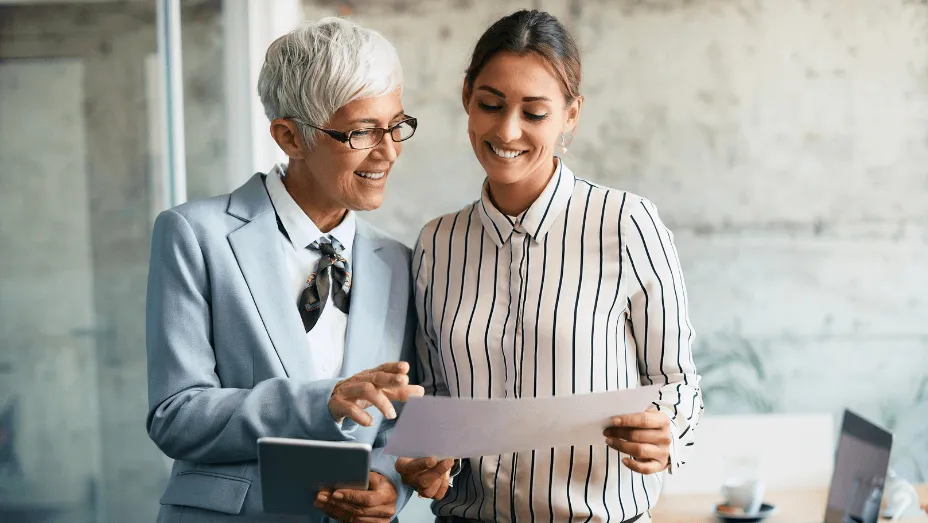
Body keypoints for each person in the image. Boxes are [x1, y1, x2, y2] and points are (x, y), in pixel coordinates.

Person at [397, 9, 704, 522]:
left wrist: (665, 434)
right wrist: (426, 461)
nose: (507, 130)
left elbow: (676, 381)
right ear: (467, 98)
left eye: (534, 113)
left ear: (572, 114)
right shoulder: (437, 243)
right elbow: (438, 399)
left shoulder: (627, 223)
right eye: (490, 105)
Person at [146, 17, 422, 523]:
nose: (388, 151)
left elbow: (395, 425)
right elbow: (176, 417)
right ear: (289, 137)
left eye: (396, 125)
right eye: (362, 132)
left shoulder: (398, 262)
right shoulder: (193, 234)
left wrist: (390, 484)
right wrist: (325, 401)